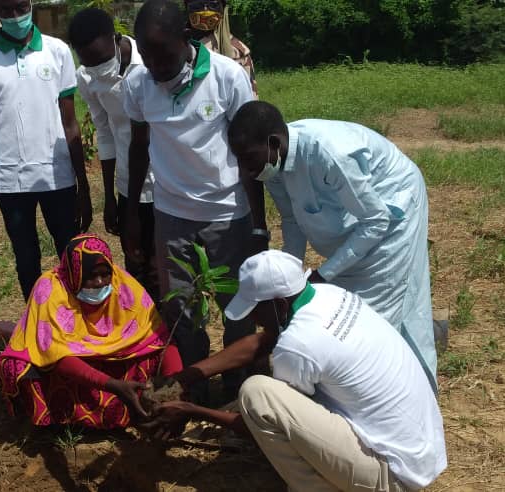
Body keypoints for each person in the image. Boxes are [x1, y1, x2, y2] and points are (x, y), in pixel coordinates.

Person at [147, 250, 447, 491]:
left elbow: (259, 423)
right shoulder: (328, 296)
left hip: (390, 474)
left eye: (257, 310)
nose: (254, 318)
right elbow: (264, 340)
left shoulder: (298, 346)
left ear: (278, 304)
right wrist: (187, 377)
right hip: (420, 452)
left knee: (257, 392)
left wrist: (192, 410)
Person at [227, 101, 438, 390]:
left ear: (274, 143)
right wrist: (288, 278)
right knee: (346, 304)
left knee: (374, 313)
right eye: (237, 160)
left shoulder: (328, 153)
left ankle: (398, 387)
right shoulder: (270, 165)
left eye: (247, 158)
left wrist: (325, 273)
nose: (244, 169)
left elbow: (375, 221)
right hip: (362, 218)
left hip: (392, 211)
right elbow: (292, 220)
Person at [123, 0, 259, 402]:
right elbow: (139, 146)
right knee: (181, 309)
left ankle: (239, 389)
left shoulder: (227, 77)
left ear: (186, 38)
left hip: (227, 214)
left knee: (236, 306)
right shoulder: (139, 84)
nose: (155, 66)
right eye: (147, 57)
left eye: (163, 55)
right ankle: (195, 388)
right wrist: (134, 212)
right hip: (171, 215)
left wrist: (258, 224)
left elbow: (249, 150)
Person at [0, 0, 93, 300]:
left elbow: (70, 122)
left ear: (31, 4)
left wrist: (83, 186)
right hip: (10, 181)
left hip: (56, 176)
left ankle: (74, 320)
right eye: (6, 10)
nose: (15, 16)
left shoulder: (57, 51)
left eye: (21, 7)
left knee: (69, 252)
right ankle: (38, 324)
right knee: (26, 258)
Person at [0, 234, 182, 429]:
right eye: (90, 276)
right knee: (18, 367)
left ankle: (134, 414)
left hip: (114, 362)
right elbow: (56, 355)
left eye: (105, 274)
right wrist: (111, 385)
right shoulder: (50, 289)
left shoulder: (124, 286)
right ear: (74, 274)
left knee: (148, 357)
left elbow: (161, 340)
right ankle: (62, 423)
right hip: (72, 367)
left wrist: (174, 388)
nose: (100, 282)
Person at [68, 8, 158, 298]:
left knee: (163, 269)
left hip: (167, 185)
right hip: (129, 185)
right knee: (135, 264)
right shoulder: (87, 78)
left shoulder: (151, 66)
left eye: (101, 60)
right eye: (87, 62)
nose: (96, 69)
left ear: (115, 38)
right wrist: (109, 197)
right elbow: (105, 134)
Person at [184, 0, 256, 95]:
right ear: (187, 6)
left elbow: (248, 98)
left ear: (223, 8)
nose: (205, 10)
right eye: (198, 4)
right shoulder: (172, 46)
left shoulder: (238, 52)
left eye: (213, 4)